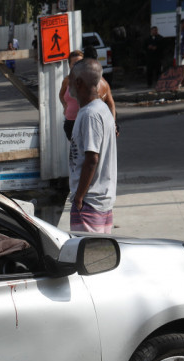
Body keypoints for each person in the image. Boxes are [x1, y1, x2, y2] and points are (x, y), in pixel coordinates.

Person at [68, 58, 118, 234]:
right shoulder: (102, 109)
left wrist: (79, 197)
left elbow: (91, 159)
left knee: (87, 250)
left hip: (89, 203)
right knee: (99, 250)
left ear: (78, 82)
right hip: (100, 202)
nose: (68, 83)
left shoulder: (90, 114)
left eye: (70, 78)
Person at [61, 50, 116, 139]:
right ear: (69, 65)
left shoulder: (94, 81)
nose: (77, 66)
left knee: (88, 145)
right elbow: (61, 95)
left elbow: (110, 102)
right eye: (74, 64)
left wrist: (113, 124)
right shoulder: (67, 81)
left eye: (80, 63)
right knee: (75, 146)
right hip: (71, 122)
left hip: (88, 122)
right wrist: (65, 106)